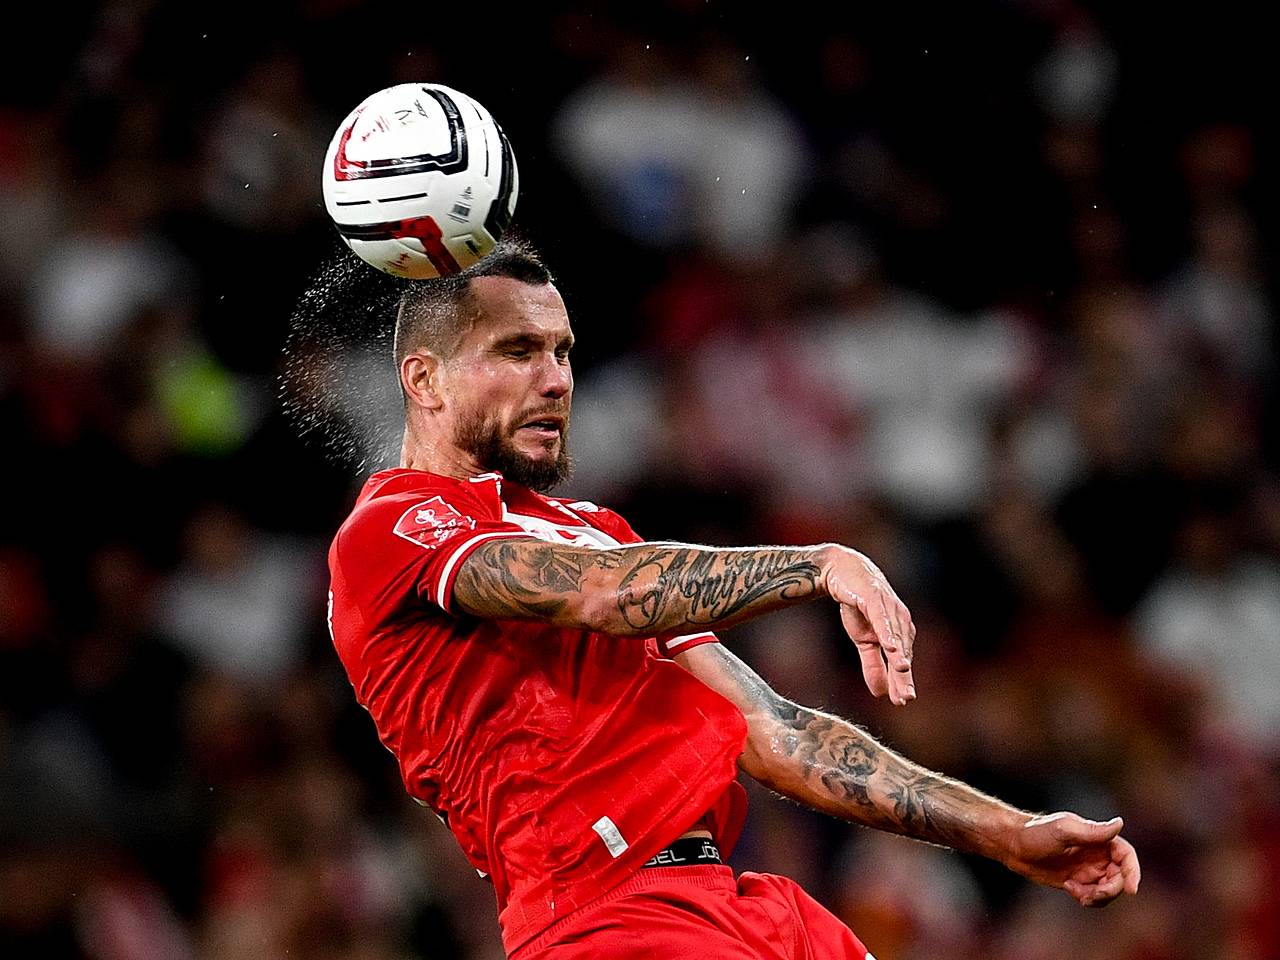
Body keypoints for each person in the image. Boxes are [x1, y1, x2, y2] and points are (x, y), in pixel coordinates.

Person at [326, 241, 1140, 959]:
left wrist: (1009, 833)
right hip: (605, 921)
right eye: (518, 351)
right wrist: (817, 564)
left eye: (563, 352)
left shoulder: (595, 529)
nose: (556, 380)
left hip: (743, 905)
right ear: (424, 379)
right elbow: (606, 595)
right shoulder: (390, 529)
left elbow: (776, 731)